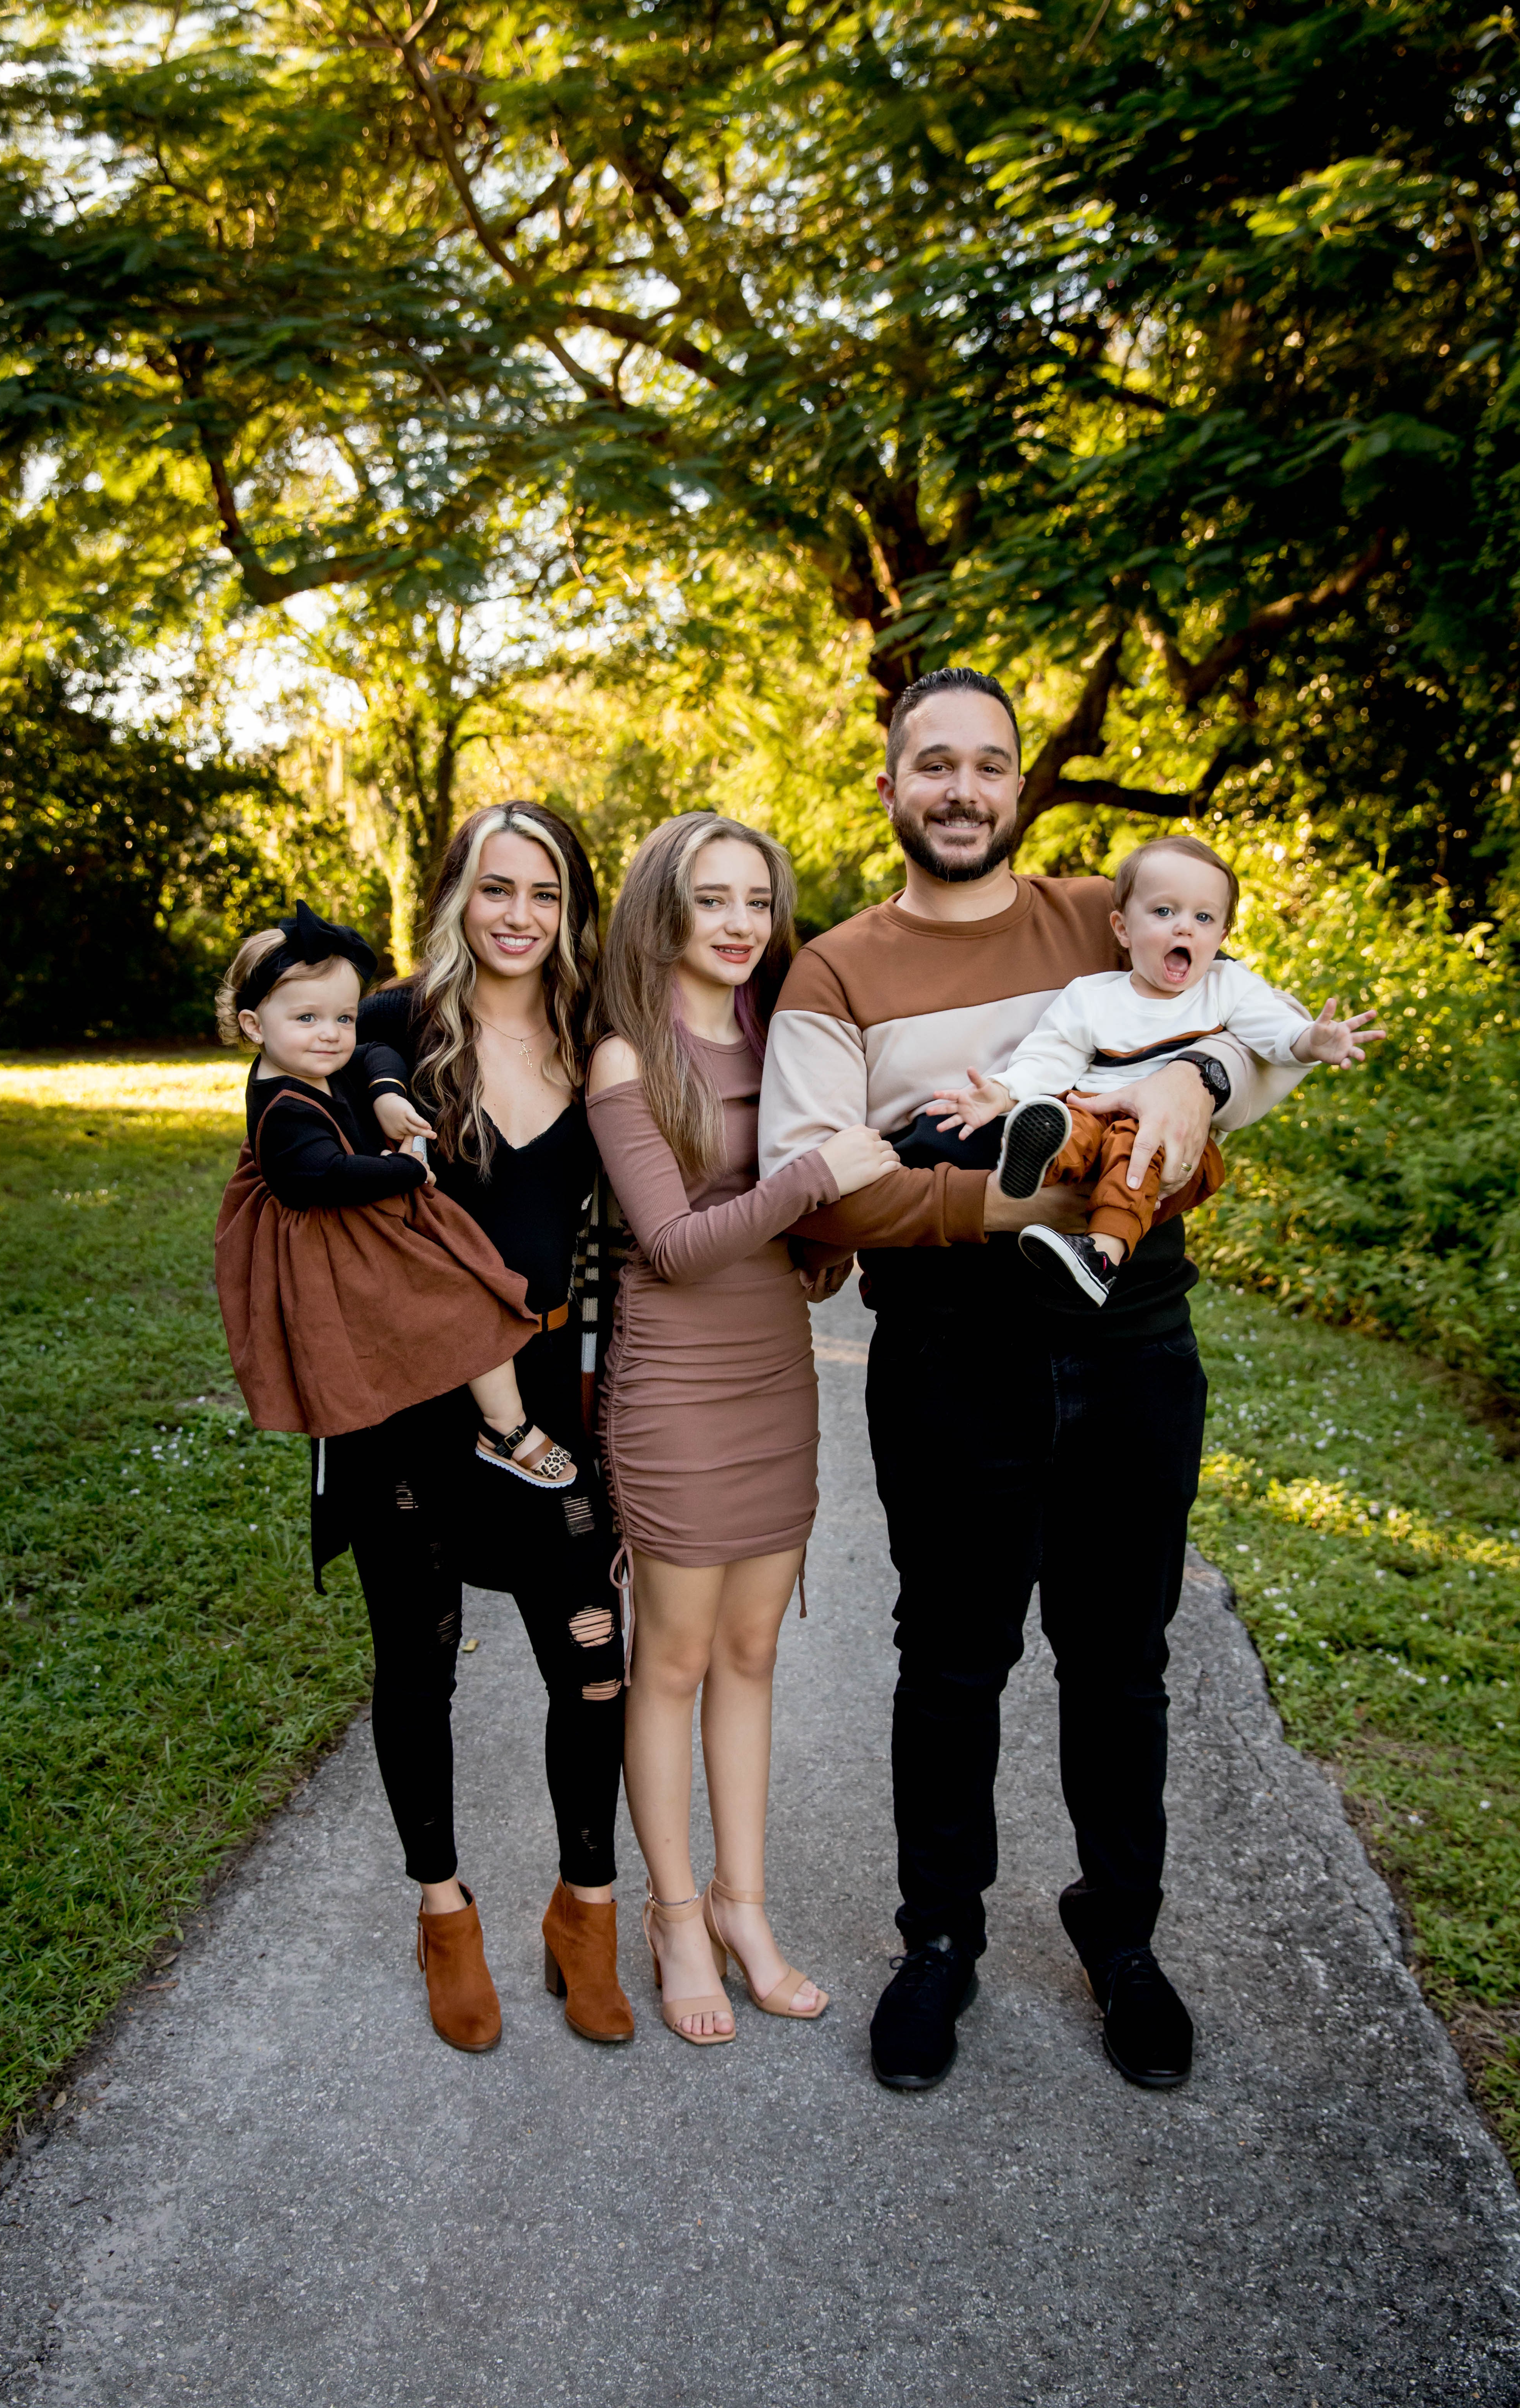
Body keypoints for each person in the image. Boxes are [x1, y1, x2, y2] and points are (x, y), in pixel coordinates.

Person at [757, 667, 1306, 2095]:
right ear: (888, 788)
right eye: (930, 764)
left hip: (1133, 1339)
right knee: (952, 1660)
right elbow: (816, 1194)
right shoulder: (835, 971)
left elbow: (1260, 1031)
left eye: (986, 765)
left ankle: (1120, 1940)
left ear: (1019, 786)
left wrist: (1189, 1082)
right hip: (950, 1347)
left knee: (1120, 1660)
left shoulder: (1099, 912)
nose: (960, 788)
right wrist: (1008, 1212)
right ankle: (938, 1941)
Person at [586, 813, 898, 2044]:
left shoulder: (788, 1042)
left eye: (757, 901)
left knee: (755, 1650)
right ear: (661, 912)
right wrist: (816, 1180)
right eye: (709, 899)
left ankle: (742, 1903)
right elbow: (670, 1243)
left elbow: (789, 1228)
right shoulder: (626, 1061)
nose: (736, 924)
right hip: (673, 1380)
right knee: (671, 1656)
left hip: (774, 1363)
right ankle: (672, 1912)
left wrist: (826, 1235)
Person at [335, 801, 632, 2054]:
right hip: (406, 1403)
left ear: (572, 910)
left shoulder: (593, 1032)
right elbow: (280, 1091)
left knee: (595, 1661)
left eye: (546, 893)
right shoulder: (391, 1027)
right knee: (418, 1660)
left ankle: (587, 1909)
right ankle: (443, 1910)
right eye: (496, 889)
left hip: (548, 1395)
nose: (520, 916)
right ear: (455, 895)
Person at [923, 833, 1384, 1304]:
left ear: (1222, 936)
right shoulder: (1093, 996)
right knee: (1070, 1118)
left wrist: (1312, 1041)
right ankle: (1038, 1159)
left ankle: (1100, 1257)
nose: (1183, 928)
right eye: (1164, 912)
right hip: (1095, 1109)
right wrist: (1002, 1092)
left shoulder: (1228, 988)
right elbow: (1050, 1056)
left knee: (1134, 1143)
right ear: (1122, 929)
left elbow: (1274, 1032)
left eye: (1203, 917)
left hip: (1176, 1142)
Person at [217, 901, 577, 1484]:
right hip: (335, 1249)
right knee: (462, 1308)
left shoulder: (317, 1062)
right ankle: (505, 1429)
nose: (331, 1036)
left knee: (467, 1301)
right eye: (307, 1019)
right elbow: (322, 1177)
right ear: (255, 1027)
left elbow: (378, 1054)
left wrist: (386, 1093)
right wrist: (408, 1171)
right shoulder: (282, 1107)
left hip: (364, 1228)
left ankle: (496, 1423)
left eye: (344, 1018)